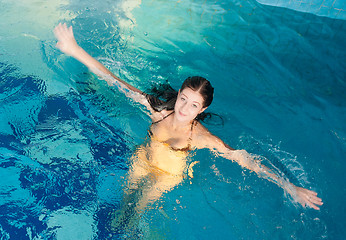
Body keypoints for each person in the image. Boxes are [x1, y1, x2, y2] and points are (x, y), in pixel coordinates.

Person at [53, 23, 323, 217]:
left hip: (167, 177)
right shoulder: (159, 110)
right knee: (123, 205)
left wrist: (290, 186)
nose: (184, 108)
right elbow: (114, 80)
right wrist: (74, 49)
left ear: (201, 109)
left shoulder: (203, 137)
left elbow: (248, 160)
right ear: (179, 94)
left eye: (194, 105)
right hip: (144, 157)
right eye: (184, 99)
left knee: (138, 212)